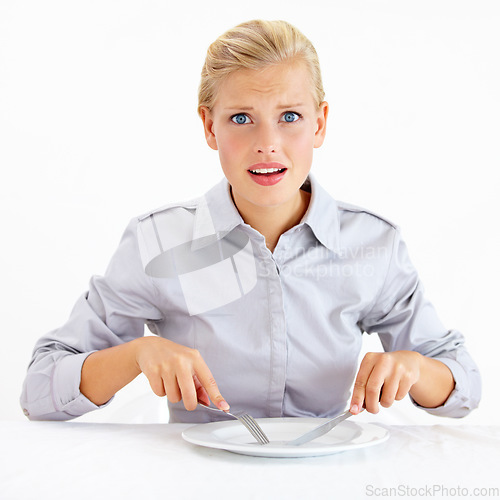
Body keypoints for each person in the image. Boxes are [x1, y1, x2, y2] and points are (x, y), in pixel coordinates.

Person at [21, 19, 480, 423]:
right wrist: (138, 354)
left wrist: (415, 368)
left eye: (290, 117)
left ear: (319, 124)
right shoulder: (157, 242)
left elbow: (465, 386)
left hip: (325, 475)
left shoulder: (372, 245)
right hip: (197, 478)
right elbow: (40, 388)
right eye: (241, 118)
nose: (268, 143)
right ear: (209, 126)